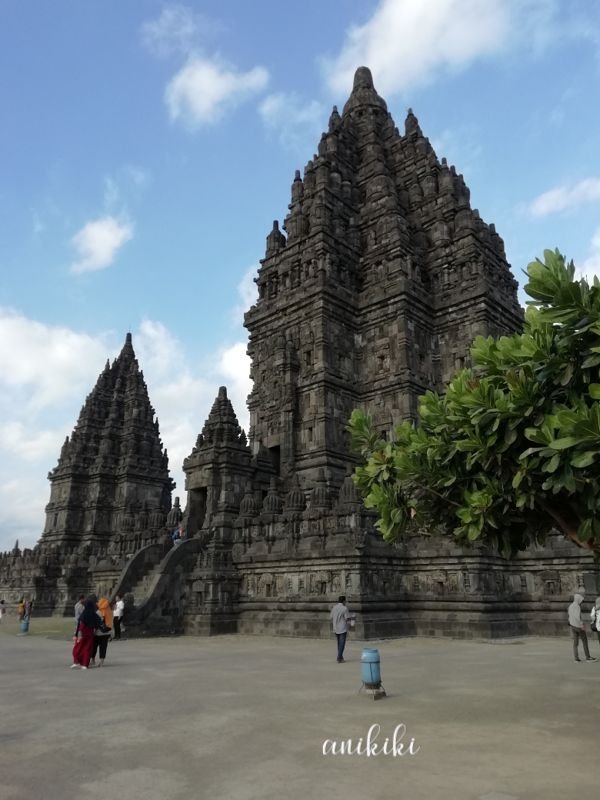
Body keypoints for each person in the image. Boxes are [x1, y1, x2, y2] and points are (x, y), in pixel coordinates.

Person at [71, 597, 103, 669]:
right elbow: (99, 622)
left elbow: (81, 624)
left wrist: (78, 633)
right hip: (90, 633)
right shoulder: (94, 614)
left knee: (78, 647)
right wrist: (95, 628)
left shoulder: (84, 613)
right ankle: (85, 664)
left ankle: (77, 661)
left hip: (83, 632)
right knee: (87, 648)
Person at [568, 592, 596, 663]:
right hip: (578, 626)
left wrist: (571, 623)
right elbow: (578, 618)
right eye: (581, 601)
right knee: (584, 641)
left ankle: (576, 658)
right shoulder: (577, 607)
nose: (581, 602)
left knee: (575, 643)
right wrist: (582, 625)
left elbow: (569, 616)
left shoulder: (570, 606)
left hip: (572, 626)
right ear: (578, 600)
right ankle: (588, 657)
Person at [330, 595, 354, 663]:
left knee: (339, 643)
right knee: (342, 643)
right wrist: (352, 618)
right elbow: (347, 618)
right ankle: (339, 657)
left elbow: (331, 617)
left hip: (335, 627)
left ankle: (340, 656)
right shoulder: (344, 608)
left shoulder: (334, 607)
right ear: (344, 601)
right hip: (342, 627)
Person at [91, 597, 113, 667]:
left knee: (94, 647)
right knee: (103, 647)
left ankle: (93, 660)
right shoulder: (110, 611)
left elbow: (95, 623)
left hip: (97, 633)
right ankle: (101, 662)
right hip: (106, 632)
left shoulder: (98, 612)